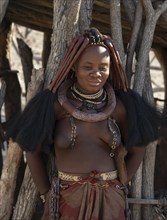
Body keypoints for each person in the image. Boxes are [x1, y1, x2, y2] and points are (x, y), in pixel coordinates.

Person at [8, 28, 159, 220]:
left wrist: (121, 183)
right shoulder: (56, 107)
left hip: (111, 201)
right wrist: (47, 194)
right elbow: (32, 152)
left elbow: (138, 148)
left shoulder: (118, 108)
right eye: (88, 67)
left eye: (103, 67)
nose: (96, 73)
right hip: (68, 201)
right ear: (74, 67)